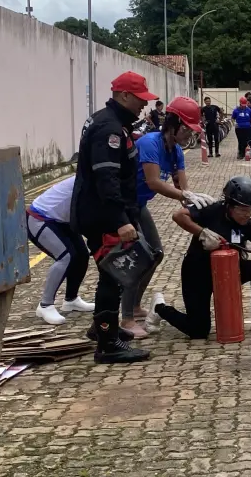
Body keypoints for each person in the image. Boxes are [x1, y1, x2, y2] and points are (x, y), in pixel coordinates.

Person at [71, 71, 158, 363]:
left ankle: (104, 332)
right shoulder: (109, 127)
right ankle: (108, 345)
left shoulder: (110, 121)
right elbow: (106, 179)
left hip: (105, 213)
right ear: (123, 96)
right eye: (139, 100)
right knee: (113, 276)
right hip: (104, 216)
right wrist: (121, 221)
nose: (143, 106)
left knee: (114, 275)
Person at [144, 176, 251, 339]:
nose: (246, 215)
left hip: (228, 270)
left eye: (250, 210)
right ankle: (159, 308)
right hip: (198, 272)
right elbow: (179, 216)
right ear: (230, 205)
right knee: (198, 330)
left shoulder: (245, 223)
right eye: (242, 210)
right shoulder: (211, 210)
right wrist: (202, 233)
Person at [123, 96, 215, 338]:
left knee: (156, 253)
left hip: (139, 205)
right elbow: (154, 182)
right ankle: (126, 320)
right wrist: (184, 193)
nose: (189, 135)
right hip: (123, 206)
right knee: (137, 258)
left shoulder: (176, 152)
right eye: (187, 129)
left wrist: (197, 202)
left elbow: (183, 191)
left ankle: (134, 305)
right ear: (175, 125)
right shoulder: (150, 143)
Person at [26, 176, 94, 325]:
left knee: (82, 255)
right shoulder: (89, 180)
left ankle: (71, 300)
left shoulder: (99, 179)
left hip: (62, 220)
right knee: (65, 256)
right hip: (39, 218)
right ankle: (45, 305)